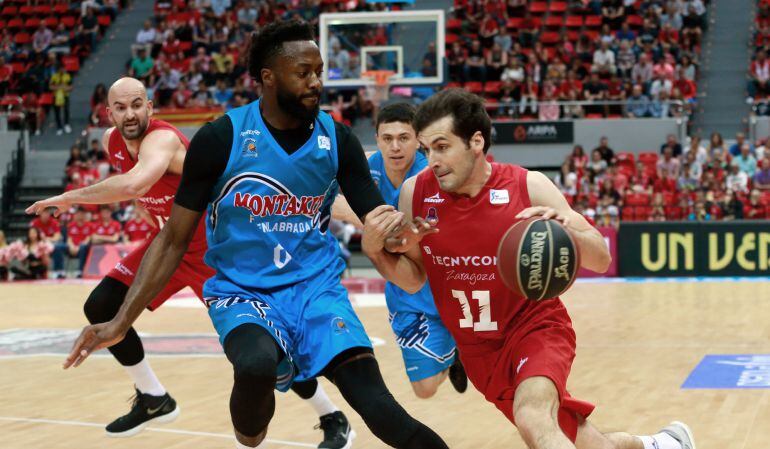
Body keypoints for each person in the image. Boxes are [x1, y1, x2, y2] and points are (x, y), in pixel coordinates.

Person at [61, 22, 449, 449]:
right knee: (255, 389)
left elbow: (376, 214)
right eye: (304, 72)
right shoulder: (219, 139)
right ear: (268, 77)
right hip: (244, 292)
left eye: (318, 71)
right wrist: (121, 321)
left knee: (381, 410)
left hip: (316, 292)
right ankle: (268, 376)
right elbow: (172, 239)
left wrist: (402, 233)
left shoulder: (336, 138)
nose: (316, 81)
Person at [362, 88, 696, 449]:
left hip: (534, 328)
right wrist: (377, 252)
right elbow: (415, 280)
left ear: (476, 142)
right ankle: (663, 444)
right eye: (426, 150)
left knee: (533, 416)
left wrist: (567, 228)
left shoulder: (529, 185)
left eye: (442, 147)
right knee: (582, 440)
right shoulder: (417, 192)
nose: (433, 161)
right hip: (478, 350)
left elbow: (601, 258)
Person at [332, 102, 468, 399]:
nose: (395, 147)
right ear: (377, 139)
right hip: (405, 290)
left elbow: (403, 232)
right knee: (424, 390)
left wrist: (356, 214)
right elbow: (327, 195)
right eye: (387, 138)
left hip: (445, 286)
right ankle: (452, 358)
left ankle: (457, 349)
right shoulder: (367, 166)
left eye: (403, 138)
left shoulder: (433, 174)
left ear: (417, 139)